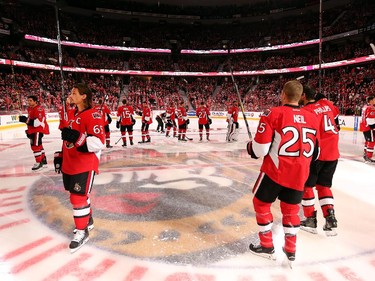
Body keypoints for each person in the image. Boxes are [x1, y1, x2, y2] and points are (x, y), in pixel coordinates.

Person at [246, 80, 319, 263]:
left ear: (283, 95)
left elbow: (260, 149)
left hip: (275, 171)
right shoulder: (312, 117)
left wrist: (250, 148)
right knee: (292, 210)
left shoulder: (273, 113)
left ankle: (267, 245)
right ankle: (291, 249)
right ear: (300, 97)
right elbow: (316, 153)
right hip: (300, 174)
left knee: (261, 204)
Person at [54, 83, 105, 253]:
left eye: (74, 93)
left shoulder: (93, 114)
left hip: (84, 163)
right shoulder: (72, 114)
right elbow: (66, 140)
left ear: (84, 96)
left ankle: (82, 232)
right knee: (78, 195)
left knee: (77, 198)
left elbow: (98, 143)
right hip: (70, 162)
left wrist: (77, 137)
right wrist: (60, 157)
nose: (71, 95)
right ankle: (87, 219)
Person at [299, 86, 340, 236]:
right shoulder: (328, 104)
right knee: (324, 186)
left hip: (318, 154)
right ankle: (331, 221)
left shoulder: (306, 111)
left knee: (307, 186)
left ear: (303, 96)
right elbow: (337, 124)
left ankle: (310, 219)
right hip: (333, 153)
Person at [18, 95, 50, 171]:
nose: (29, 102)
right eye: (28, 101)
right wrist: (25, 120)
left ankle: (39, 163)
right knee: (39, 145)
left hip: (37, 130)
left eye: (30, 101)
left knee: (35, 146)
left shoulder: (38, 109)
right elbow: (31, 120)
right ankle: (43, 161)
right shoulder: (30, 109)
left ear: (35, 101)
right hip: (33, 130)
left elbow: (37, 123)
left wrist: (25, 120)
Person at [360, 95, 375, 163]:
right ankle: (369, 157)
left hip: (364, 126)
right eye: (374, 99)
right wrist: (373, 127)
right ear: (371, 101)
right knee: (371, 141)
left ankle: (365, 154)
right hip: (369, 127)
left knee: (367, 141)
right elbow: (370, 119)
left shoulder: (364, 107)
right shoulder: (371, 108)